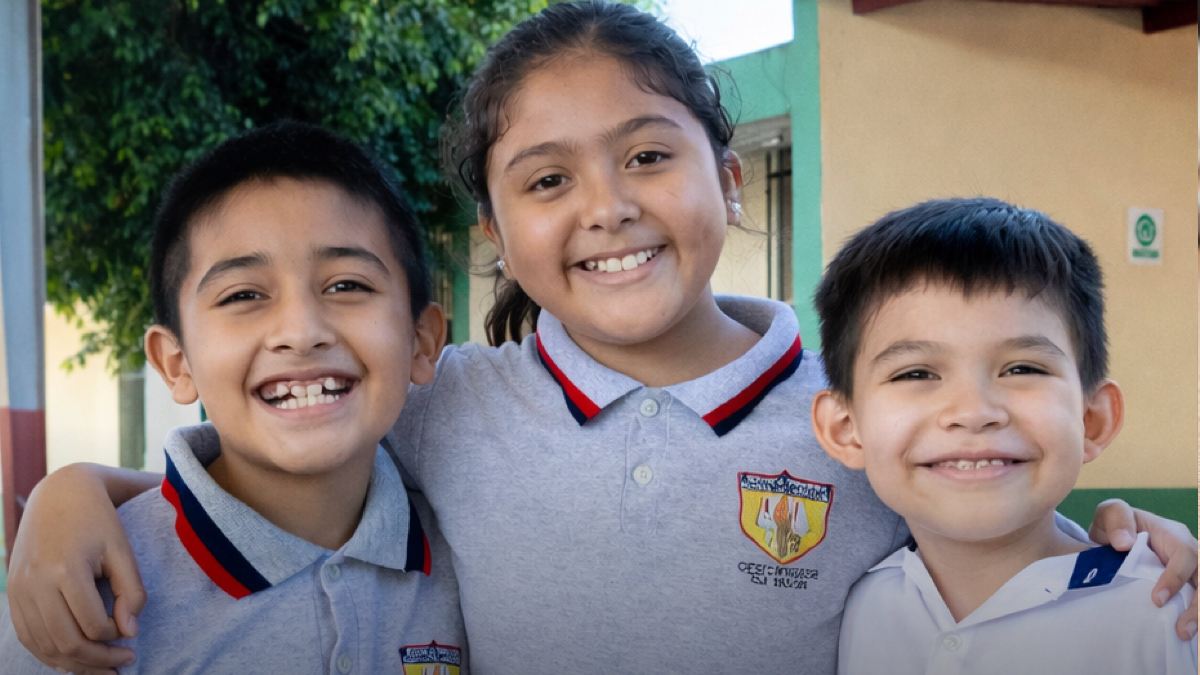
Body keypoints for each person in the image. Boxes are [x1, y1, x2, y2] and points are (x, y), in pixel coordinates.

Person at [7, 3, 1196, 674]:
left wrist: (1128, 536)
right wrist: (70, 497)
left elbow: (986, 501)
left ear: (727, 180)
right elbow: (287, 454)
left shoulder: (854, 404)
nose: (606, 207)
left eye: (645, 155)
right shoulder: (450, 398)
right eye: (546, 179)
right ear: (497, 235)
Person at [0, 121, 466, 673]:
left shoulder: (470, 551)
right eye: (244, 294)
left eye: (347, 285)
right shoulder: (88, 596)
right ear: (176, 364)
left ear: (422, 341)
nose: (300, 330)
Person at [810, 197, 1197, 674]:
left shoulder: (1170, 613)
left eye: (1021, 368)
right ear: (846, 430)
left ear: (1091, 419)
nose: (973, 412)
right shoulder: (860, 606)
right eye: (915, 374)